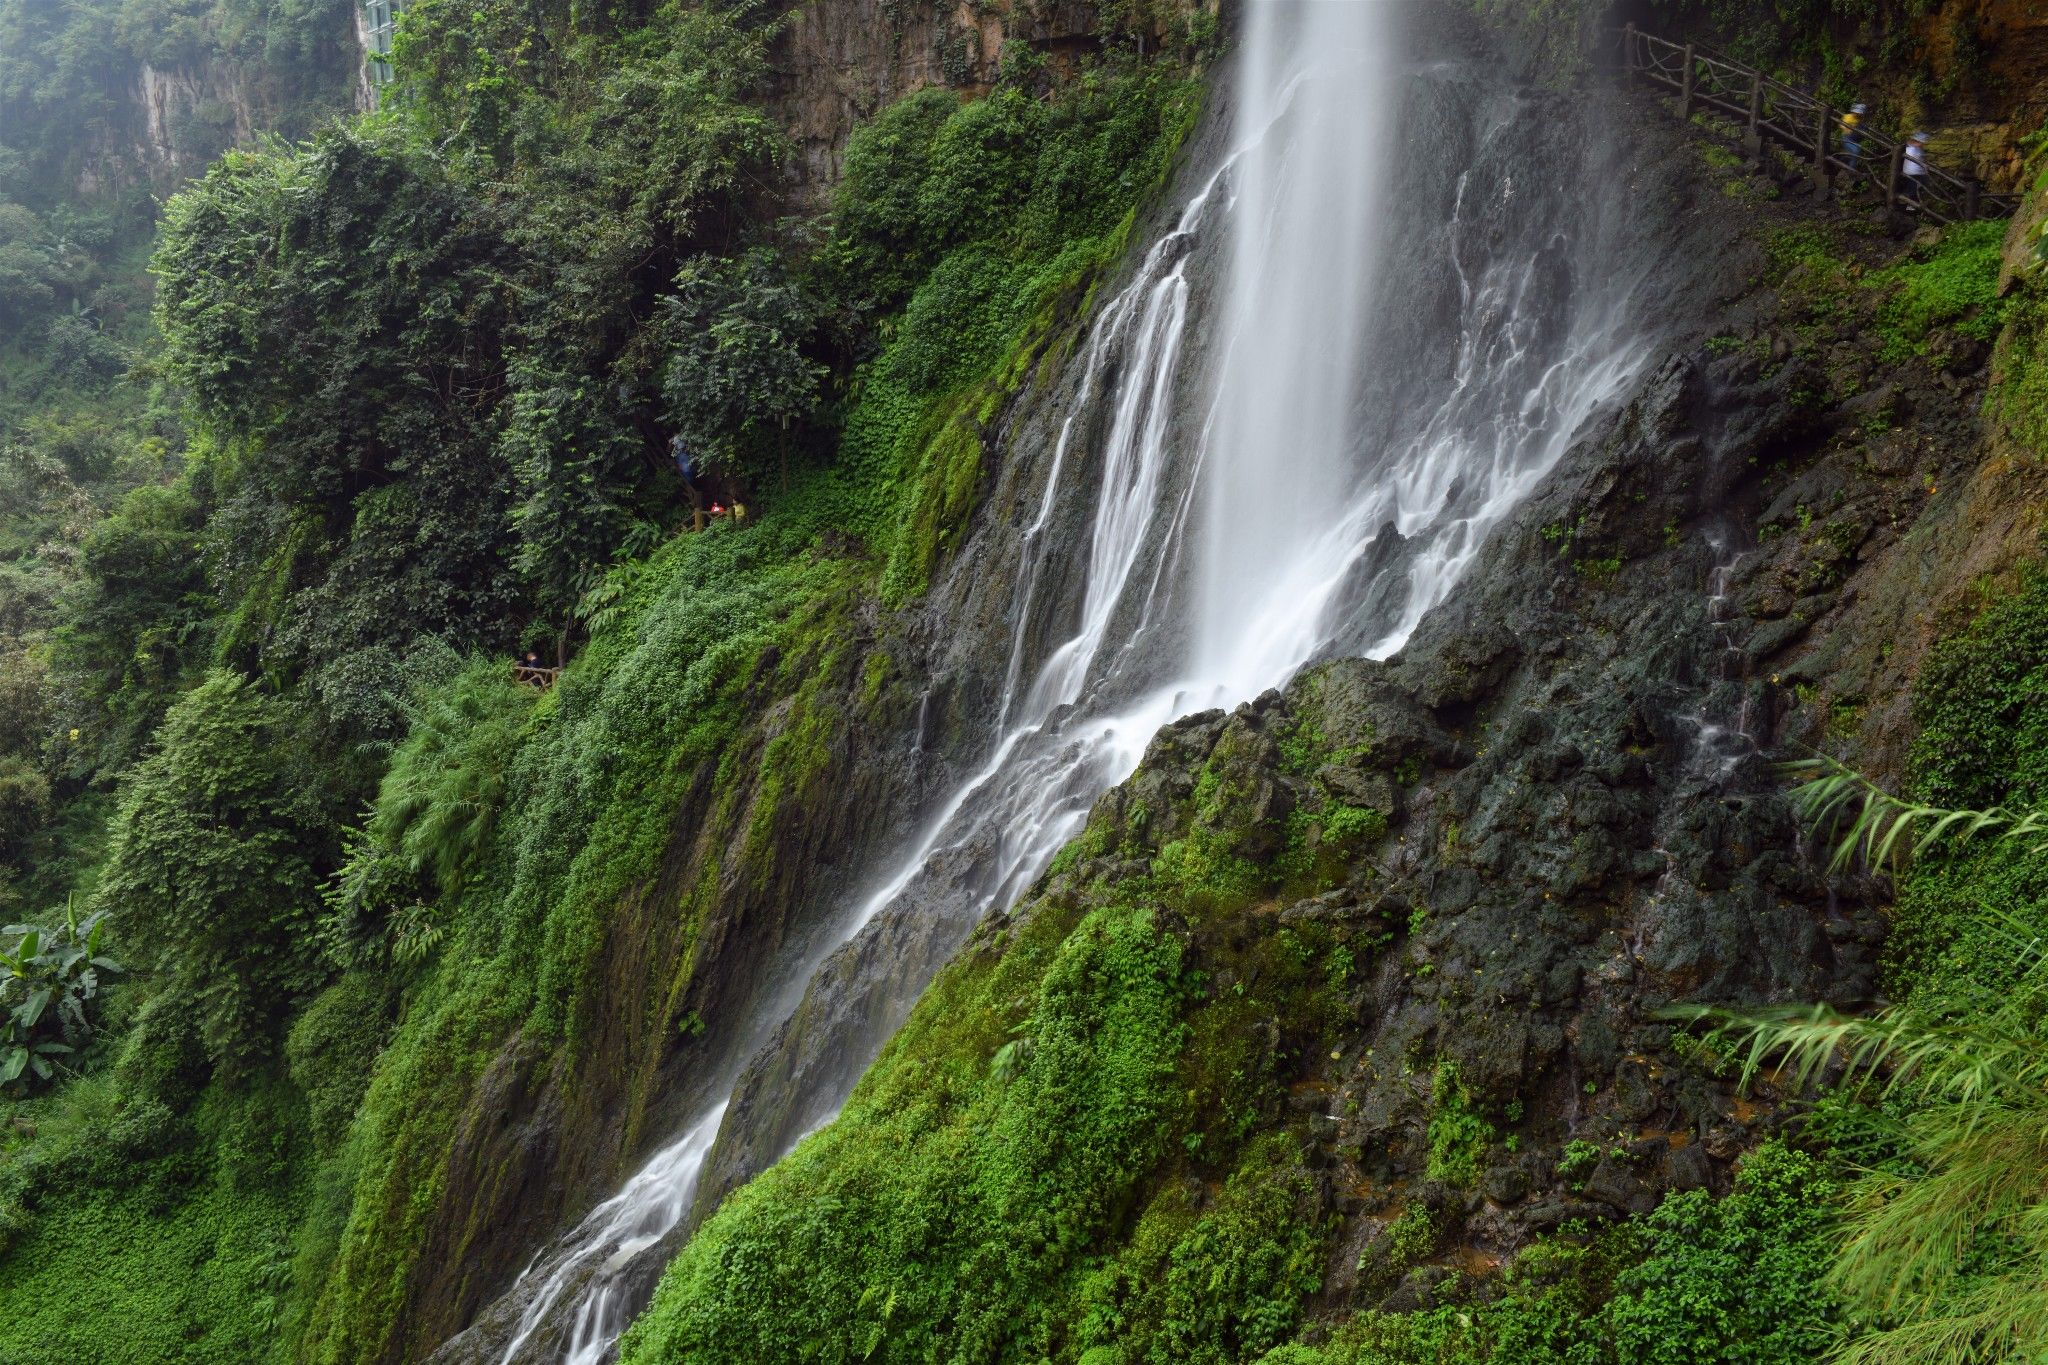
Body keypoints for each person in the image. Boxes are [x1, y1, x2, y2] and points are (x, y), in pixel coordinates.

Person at [1902, 131, 1929, 208]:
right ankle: (1908, 207)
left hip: (1913, 172)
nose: (1923, 144)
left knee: (1914, 189)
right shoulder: (1913, 149)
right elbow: (1916, 162)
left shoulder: (1911, 147)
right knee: (1912, 190)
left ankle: (1910, 206)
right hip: (1914, 173)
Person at [1840, 103, 1866, 175]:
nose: (1857, 114)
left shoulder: (1860, 120)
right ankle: (1851, 169)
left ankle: (1847, 165)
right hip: (1847, 138)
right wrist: (1847, 129)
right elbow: (1842, 124)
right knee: (1856, 150)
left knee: (1853, 152)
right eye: (1857, 112)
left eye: (1859, 113)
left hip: (1854, 140)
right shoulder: (1848, 117)